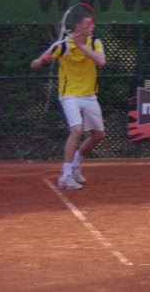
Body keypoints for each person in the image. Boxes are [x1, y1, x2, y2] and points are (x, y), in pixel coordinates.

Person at [30, 10, 106, 190]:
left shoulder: (95, 42)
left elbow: (101, 62)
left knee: (98, 135)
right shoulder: (62, 46)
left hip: (89, 95)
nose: (93, 26)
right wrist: (41, 62)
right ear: (78, 27)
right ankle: (65, 176)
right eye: (89, 24)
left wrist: (81, 47)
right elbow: (35, 64)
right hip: (69, 94)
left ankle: (75, 164)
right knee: (77, 129)